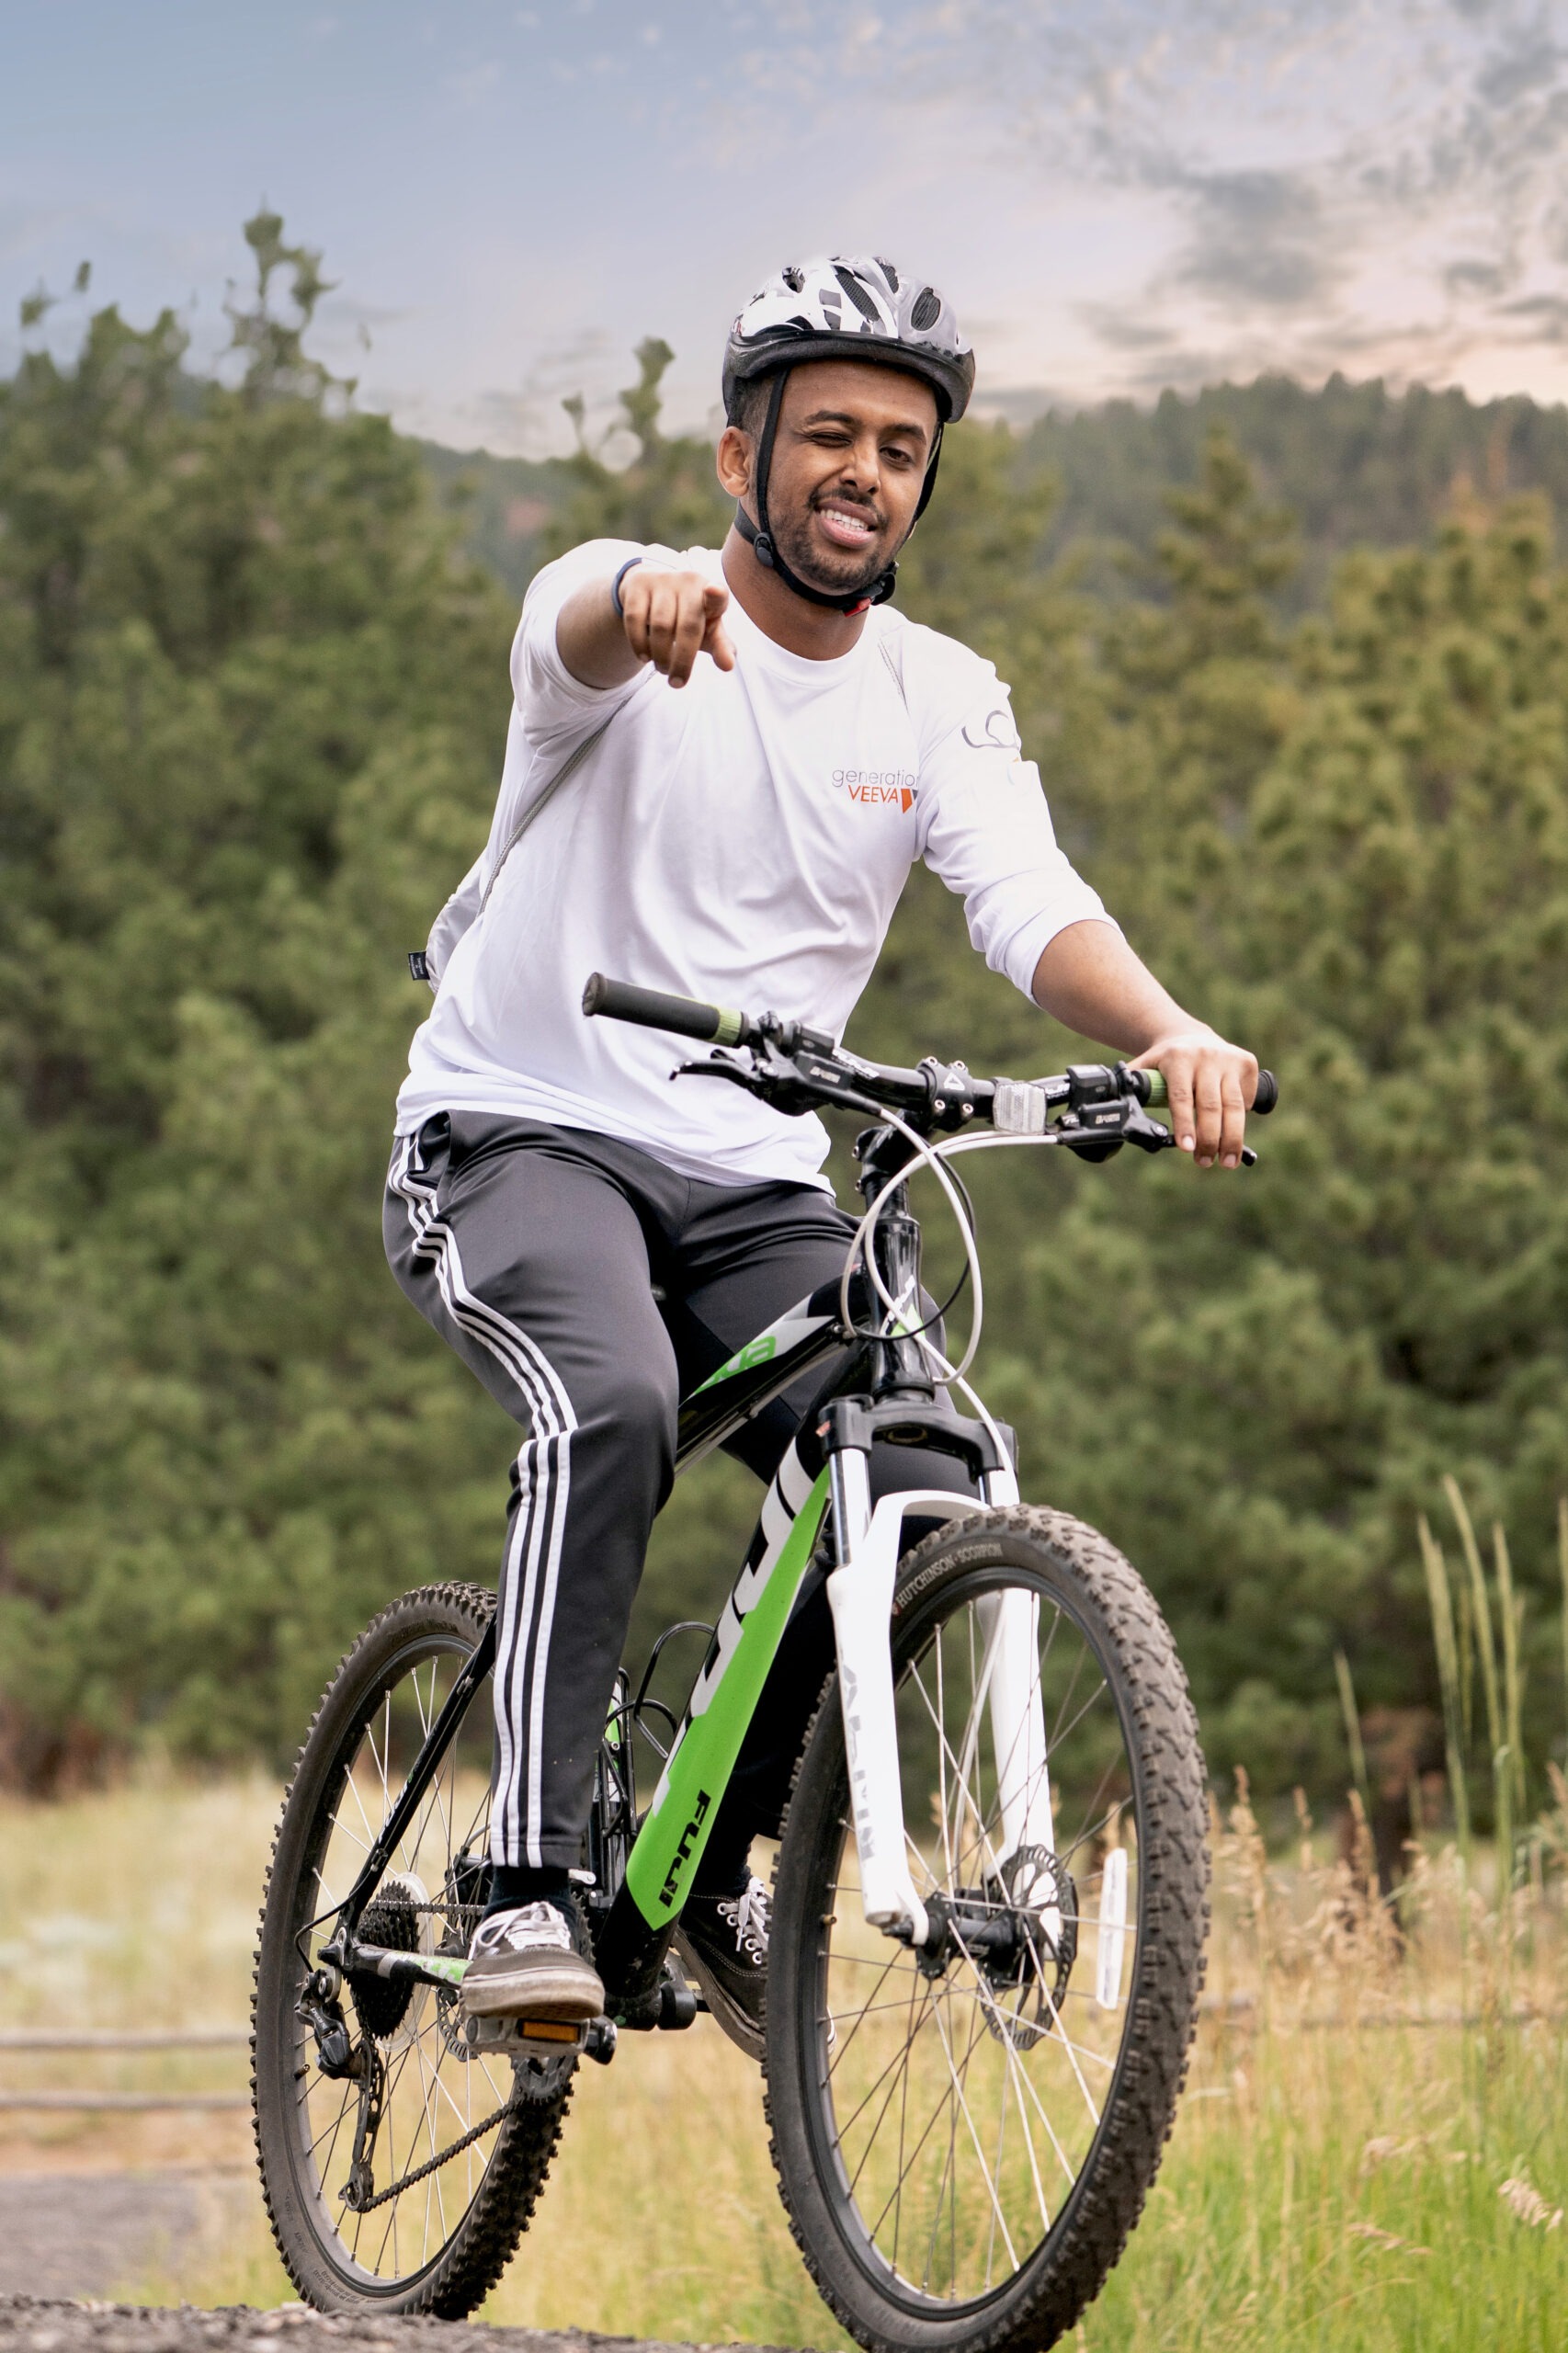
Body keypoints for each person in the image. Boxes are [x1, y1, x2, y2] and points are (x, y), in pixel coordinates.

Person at [385, 256, 1259, 2052]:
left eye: (903, 446)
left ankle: (714, 1856)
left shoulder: (938, 700)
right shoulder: (636, 626)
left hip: (750, 1169)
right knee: (610, 1396)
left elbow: (1030, 907)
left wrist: (1165, 1033)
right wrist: (639, 594)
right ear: (738, 455)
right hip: (516, 1127)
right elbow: (572, 612)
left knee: (914, 1447)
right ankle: (526, 1884)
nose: (867, 470)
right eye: (828, 435)